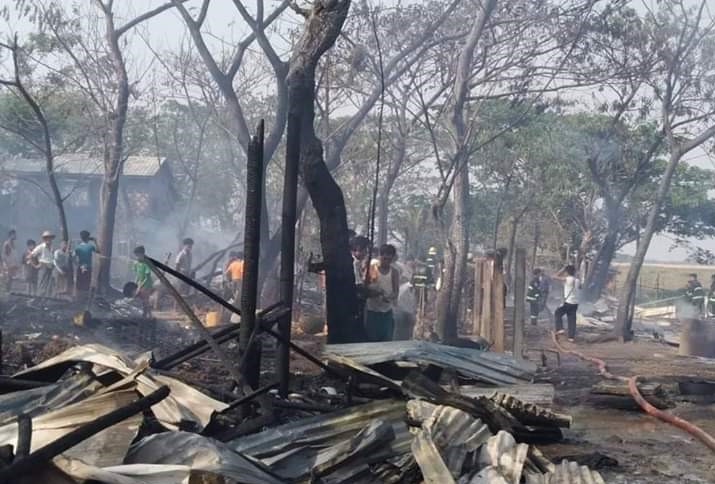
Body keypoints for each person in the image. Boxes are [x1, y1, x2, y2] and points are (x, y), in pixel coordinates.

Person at [364, 244, 400, 342]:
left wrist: (389, 298)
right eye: (384, 256)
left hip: (387, 311)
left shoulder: (394, 272)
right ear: (380, 256)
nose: (386, 259)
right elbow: (366, 288)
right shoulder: (372, 269)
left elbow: (396, 291)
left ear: (393, 258)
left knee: (386, 340)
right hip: (372, 311)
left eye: (389, 257)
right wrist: (376, 293)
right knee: (371, 339)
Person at [553, 264, 581, 342]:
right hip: (575, 303)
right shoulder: (577, 280)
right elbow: (580, 287)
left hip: (568, 302)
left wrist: (563, 269)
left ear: (567, 272)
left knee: (558, 313)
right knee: (572, 320)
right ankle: (571, 337)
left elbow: (554, 276)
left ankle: (560, 329)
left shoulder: (567, 279)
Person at [31, 231, 56, 297]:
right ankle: (39, 298)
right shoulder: (41, 247)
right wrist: (35, 266)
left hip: (50, 267)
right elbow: (32, 255)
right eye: (47, 238)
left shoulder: (52, 247)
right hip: (43, 266)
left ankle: (46, 299)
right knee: (42, 284)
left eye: (50, 238)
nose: (49, 239)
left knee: (49, 285)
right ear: (44, 239)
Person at [74, 230, 97, 297]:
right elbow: (98, 251)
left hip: (80, 267)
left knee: (79, 284)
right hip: (88, 267)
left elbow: (73, 257)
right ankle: (85, 298)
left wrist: (76, 264)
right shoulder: (91, 246)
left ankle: (78, 297)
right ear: (88, 238)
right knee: (87, 284)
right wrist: (95, 241)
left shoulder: (77, 247)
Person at [133, 246, 153, 317]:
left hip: (147, 284)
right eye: (136, 255)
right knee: (142, 300)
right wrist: (135, 284)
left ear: (142, 254)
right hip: (140, 283)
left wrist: (140, 287)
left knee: (145, 299)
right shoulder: (136, 263)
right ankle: (144, 314)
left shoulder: (146, 263)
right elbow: (137, 275)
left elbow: (147, 278)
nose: (137, 257)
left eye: (138, 255)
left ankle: (150, 315)